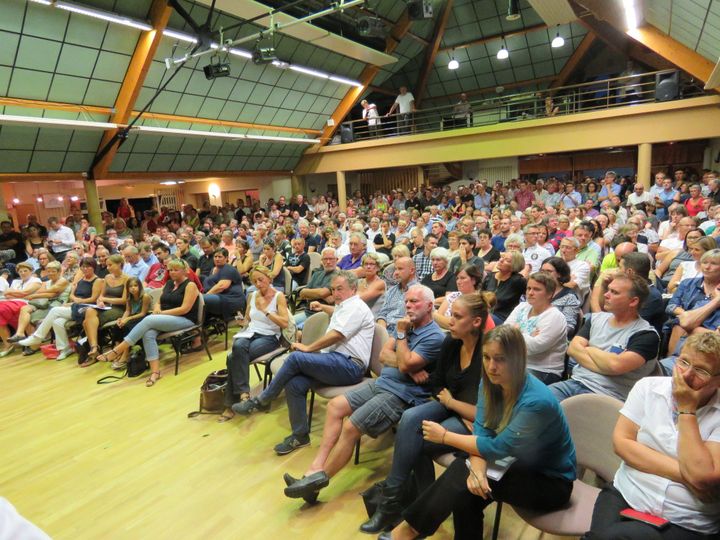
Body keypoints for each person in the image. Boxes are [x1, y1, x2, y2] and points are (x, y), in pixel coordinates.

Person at [381, 325, 576, 540]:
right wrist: (476, 469)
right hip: (514, 461)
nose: (492, 366)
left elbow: (498, 447)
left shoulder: (537, 401)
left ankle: (408, 531)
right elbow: (482, 430)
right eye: (486, 357)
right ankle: (409, 530)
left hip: (549, 481)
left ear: (519, 359)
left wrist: (445, 437)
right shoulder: (491, 382)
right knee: (466, 493)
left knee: (462, 478)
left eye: (500, 359)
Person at [281, 285, 444, 501]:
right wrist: (406, 365)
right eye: (407, 301)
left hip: (402, 395)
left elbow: (404, 363)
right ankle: (314, 469)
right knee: (335, 406)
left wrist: (404, 350)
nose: (408, 305)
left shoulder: (434, 336)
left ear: (430, 306)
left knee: (350, 427)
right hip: (383, 382)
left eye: (415, 302)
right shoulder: (407, 325)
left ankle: (315, 484)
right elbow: (385, 355)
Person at [360, 292, 491, 533]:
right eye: (451, 314)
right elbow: (436, 382)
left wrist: (451, 402)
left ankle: (416, 513)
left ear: (476, 322)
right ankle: (395, 502)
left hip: (474, 419)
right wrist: (448, 399)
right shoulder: (452, 342)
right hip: (449, 403)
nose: (449, 320)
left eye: (457, 316)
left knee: (418, 440)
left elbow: (484, 412)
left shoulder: (488, 354)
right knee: (409, 419)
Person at [583, 333, 720, 539]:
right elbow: (622, 444)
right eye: (683, 362)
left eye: (701, 370)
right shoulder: (647, 387)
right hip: (628, 492)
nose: (686, 375)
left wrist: (686, 410)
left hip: (685, 518)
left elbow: (701, 476)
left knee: (613, 537)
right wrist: (688, 477)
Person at [232, 271, 375, 455]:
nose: (335, 293)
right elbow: (338, 313)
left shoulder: (355, 307)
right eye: (333, 289)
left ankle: (262, 400)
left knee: (296, 357)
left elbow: (337, 335)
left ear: (353, 289)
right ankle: (300, 436)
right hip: (335, 362)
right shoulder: (344, 305)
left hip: (350, 366)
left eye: (340, 289)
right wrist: (324, 307)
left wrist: (309, 348)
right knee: (295, 383)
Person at [549, 274, 660, 402]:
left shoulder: (646, 335)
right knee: (533, 403)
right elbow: (573, 349)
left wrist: (591, 350)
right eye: (608, 290)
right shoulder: (596, 319)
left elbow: (615, 366)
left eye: (614, 292)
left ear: (633, 301)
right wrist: (606, 364)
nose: (606, 295)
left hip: (607, 396)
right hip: (574, 383)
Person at [97, 258, 200, 386]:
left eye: (176, 270)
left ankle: (118, 350)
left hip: (185, 319)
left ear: (185, 271)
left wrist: (161, 313)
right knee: (148, 334)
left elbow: (185, 309)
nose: (172, 272)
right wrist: (157, 308)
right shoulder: (169, 284)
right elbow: (159, 302)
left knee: (149, 319)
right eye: (171, 270)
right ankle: (155, 372)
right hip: (165, 318)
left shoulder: (190, 285)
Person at [218, 266, 290, 422]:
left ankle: (231, 404)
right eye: (254, 281)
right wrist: (241, 321)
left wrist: (266, 311)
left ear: (269, 278)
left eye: (261, 279)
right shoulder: (252, 296)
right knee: (237, 346)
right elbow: (247, 320)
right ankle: (244, 396)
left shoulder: (279, 297)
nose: (258, 283)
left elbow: (284, 323)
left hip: (270, 336)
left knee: (233, 358)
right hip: (250, 332)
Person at [19, 257, 102, 360]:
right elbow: (72, 295)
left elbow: (93, 298)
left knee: (55, 310)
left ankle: (37, 337)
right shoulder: (81, 279)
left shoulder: (98, 280)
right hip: (76, 305)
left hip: (87, 308)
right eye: (83, 267)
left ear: (93, 267)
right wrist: (74, 300)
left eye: (88, 267)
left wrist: (79, 301)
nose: (85, 269)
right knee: (57, 322)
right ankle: (65, 349)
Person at [505, 272, 568, 384]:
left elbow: (533, 348)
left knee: (507, 381)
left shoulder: (555, 317)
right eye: (528, 288)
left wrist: (516, 332)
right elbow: (502, 334)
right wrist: (528, 336)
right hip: (516, 363)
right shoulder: (522, 307)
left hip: (542, 370)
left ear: (549, 294)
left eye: (536, 289)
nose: (530, 293)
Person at [79, 254, 128, 366]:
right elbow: (101, 296)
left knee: (86, 322)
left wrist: (105, 299)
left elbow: (124, 300)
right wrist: (100, 301)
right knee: (89, 311)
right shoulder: (107, 278)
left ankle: (94, 350)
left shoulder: (127, 279)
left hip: (119, 309)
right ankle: (94, 347)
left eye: (110, 265)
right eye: (107, 265)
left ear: (119, 264)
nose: (108, 268)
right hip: (106, 306)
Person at [9, 261, 69, 347]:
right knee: (24, 309)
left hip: (58, 305)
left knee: (29, 315)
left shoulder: (63, 281)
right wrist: (33, 294)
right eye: (48, 271)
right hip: (46, 303)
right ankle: (20, 333)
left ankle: (34, 342)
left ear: (59, 272)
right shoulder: (46, 282)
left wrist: (32, 295)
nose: (50, 273)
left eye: (53, 271)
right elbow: (42, 292)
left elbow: (52, 293)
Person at [107, 277, 152, 371]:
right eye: (130, 286)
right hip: (132, 317)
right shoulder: (129, 298)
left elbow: (142, 313)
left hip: (143, 318)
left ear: (140, 286)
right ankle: (118, 349)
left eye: (135, 285)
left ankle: (126, 352)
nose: (133, 288)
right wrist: (122, 319)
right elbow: (127, 311)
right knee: (117, 326)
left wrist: (127, 319)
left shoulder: (145, 297)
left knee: (127, 326)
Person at [0, 262, 42, 356]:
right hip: (12, 303)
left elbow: (25, 293)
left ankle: (22, 340)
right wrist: (17, 293)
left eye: (25, 271)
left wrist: (13, 292)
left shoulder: (36, 280)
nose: (23, 273)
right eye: (20, 271)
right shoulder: (16, 281)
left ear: (31, 271)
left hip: (27, 303)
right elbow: (7, 295)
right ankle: (8, 344)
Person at [293, 247, 338, 327]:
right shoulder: (317, 274)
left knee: (297, 331)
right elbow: (302, 293)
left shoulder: (338, 276)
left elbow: (329, 299)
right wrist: (322, 294)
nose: (328, 262)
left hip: (323, 316)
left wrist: (312, 293)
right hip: (308, 312)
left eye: (331, 259)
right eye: (325, 259)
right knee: (287, 324)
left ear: (336, 260)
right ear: (321, 260)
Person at [540, 257, 583, 337]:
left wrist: (545, 334)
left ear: (559, 274)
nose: (544, 275)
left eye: (549, 271)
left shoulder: (569, 297)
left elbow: (569, 327)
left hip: (554, 338)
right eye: (542, 271)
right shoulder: (537, 291)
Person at [483, 251, 527, 325]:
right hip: (485, 313)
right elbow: (480, 296)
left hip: (503, 318)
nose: (501, 260)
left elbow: (530, 295)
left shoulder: (518, 280)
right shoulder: (490, 276)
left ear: (514, 266)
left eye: (507, 260)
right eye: (502, 257)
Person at [377, 257, 417, 337]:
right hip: (385, 332)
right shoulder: (391, 291)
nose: (395, 273)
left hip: (403, 334)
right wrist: (383, 334)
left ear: (412, 271)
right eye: (395, 269)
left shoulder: (419, 292)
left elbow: (412, 321)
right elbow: (382, 314)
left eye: (400, 269)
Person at [202, 248, 246, 319]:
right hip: (218, 297)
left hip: (230, 299)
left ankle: (197, 326)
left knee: (199, 299)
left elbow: (221, 287)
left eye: (220, 257)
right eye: (215, 256)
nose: (217, 259)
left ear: (226, 258)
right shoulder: (213, 269)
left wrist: (205, 296)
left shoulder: (228, 269)